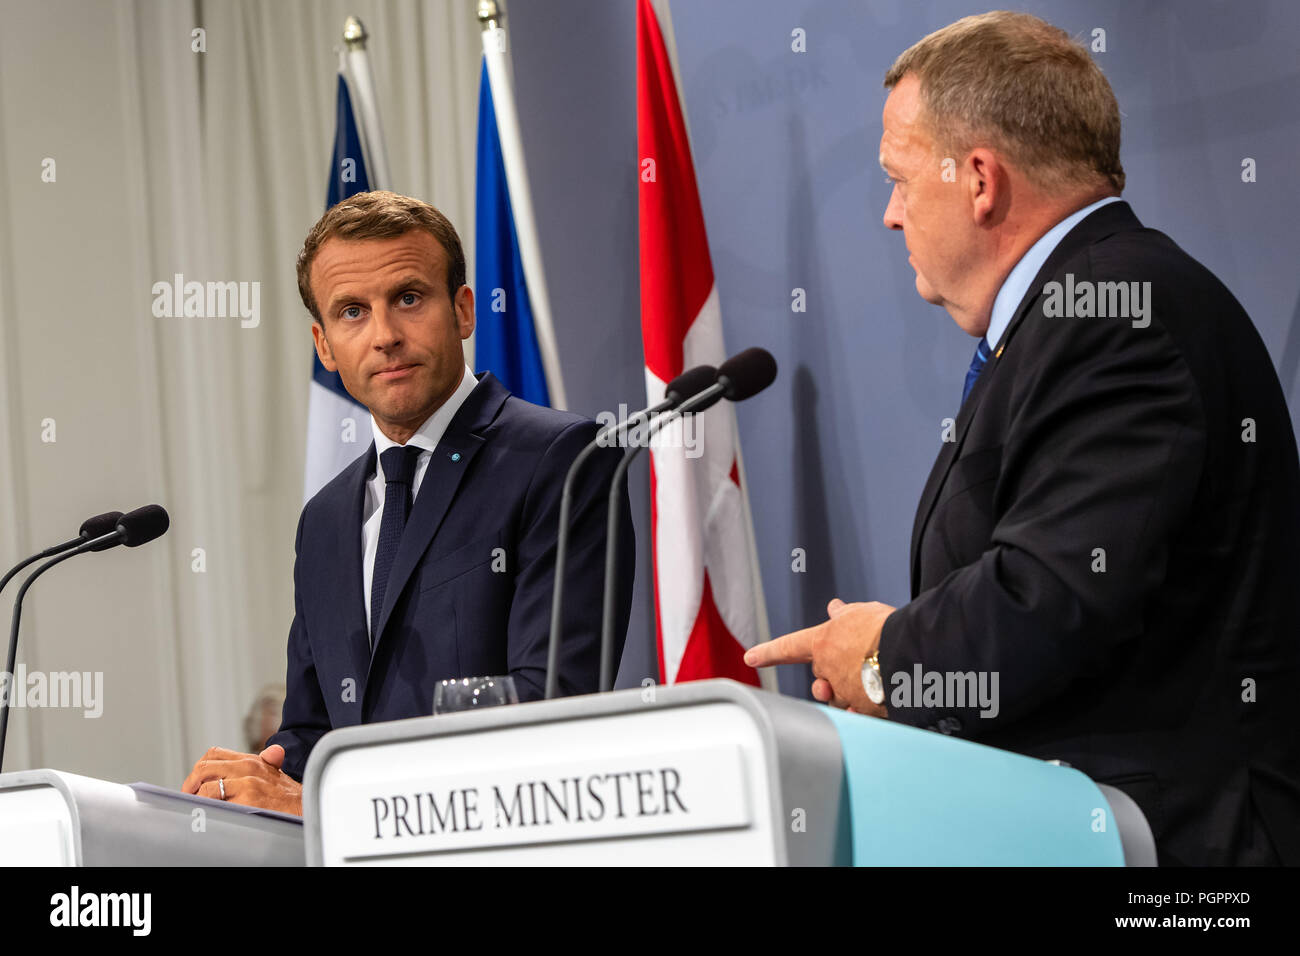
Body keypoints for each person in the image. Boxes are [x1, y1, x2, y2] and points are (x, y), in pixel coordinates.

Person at [746, 11, 1300, 866]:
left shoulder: (1119, 312)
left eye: (897, 179)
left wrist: (888, 657)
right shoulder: (1075, 314)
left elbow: (1055, 598)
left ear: (978, 179)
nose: (890, 216)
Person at [182, 191, 633, 814]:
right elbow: (315, 730)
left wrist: (329, 802)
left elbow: (551, 704)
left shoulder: (560, 458)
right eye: (351, 312)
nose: (385, 336)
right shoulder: (324, 520)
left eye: (409, 298)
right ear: (323, 344)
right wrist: (257, 780)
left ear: (464, 310)